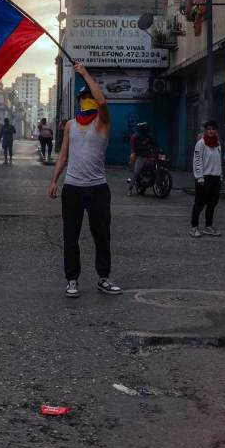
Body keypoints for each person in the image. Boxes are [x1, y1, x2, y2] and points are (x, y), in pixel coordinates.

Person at [49, 62, 122, 298]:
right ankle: (72, 280)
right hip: (72, 188)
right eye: (83, 98)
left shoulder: (102, 123)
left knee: (101, 236)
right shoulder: (70, 125)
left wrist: (85, 74)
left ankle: (104, 278)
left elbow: (102, 102)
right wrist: (54, 180)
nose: (86, 101)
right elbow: (63, 154)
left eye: (88, 97)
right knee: (71, 237)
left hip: (97, 189)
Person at [190, 121, 224, 238]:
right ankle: (194, 227)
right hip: (203, 178)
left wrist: (220, 175)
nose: (211, 131)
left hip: (216, 177)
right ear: (206, 130)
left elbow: (218, 160)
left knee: (212, 203)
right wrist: (199, 176)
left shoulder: (218, 143)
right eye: (209, 129)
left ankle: (208, 226)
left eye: (213, 129)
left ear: (216, 131)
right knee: (200, 203)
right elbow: (197, 160)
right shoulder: (201, 143)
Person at [127, 122, 154, 195]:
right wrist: (146, 148)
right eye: (145, 128)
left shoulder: (149, 136)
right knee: (136, 172)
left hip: (149, 155)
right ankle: (130, 188)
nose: (146, 129)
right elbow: (137, 148)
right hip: (141, 156)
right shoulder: (137, 137)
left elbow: (154, 143)